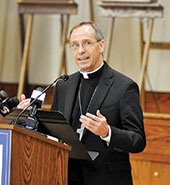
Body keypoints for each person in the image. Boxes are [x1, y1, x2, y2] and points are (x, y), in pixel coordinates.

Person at [17, 21, 146, 185]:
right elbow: (53, 132)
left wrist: (108, 132)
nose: (81, 51)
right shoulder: (64, 84)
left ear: (101, 45)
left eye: (87, 43)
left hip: (107, 179)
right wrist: (29, 116)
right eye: (75, 45)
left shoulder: (124, 87)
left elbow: (138, 141)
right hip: (67, 176)